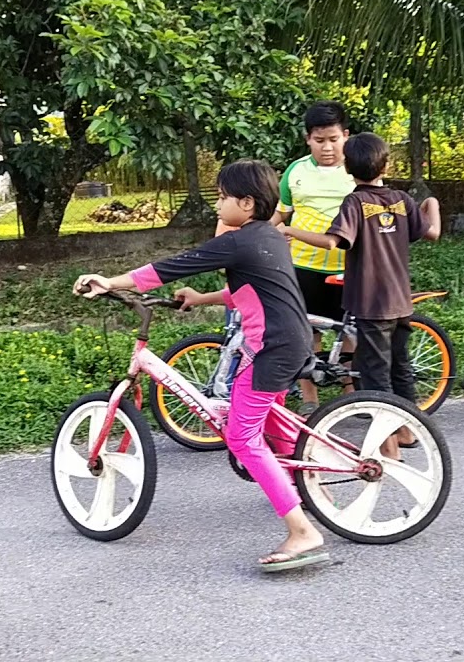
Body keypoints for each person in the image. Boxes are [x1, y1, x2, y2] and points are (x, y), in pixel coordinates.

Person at [73, 160, 327, 571]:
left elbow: (166, 268)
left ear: (246, 203)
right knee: (271, 423)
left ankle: (302, 532)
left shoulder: (238, 241)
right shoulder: (268, 237)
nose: (218, 204)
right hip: (289, 340)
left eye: (223, 197)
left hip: (271, 348)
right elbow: (247, 289)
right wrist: (201, 298)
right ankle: (314, 493)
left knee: (242, 438)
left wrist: (109, 281)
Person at [279, 132, 440, 455]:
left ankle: (388, 446)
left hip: (370, 303)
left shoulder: (354, 202)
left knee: (375, 374)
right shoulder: (401, 199)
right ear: (386, 165)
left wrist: (288, 229)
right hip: (400, 300)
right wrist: (432, 203)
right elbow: (432, 231)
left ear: (348, 168)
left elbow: (331, 242)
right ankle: (408, 432)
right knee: (400, 367)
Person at [271, 101, 357, 415]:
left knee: (349, 331)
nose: (328, 147)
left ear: (345, 135)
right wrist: (260, 239)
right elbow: (282, 212)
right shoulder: (296, 171)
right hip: (302, 266)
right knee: (307, 331)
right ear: (308, 139)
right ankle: (310, 399)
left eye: (334, 139)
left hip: (348, 266)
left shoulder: (357, 168)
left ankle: (351, 392)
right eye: (319, 140)